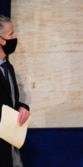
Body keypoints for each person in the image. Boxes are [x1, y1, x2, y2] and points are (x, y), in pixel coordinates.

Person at [0, 14, 30, 167]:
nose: (15, 37)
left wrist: (22, 107)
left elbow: (11, 102)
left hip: (12, 146)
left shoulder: (8, 67)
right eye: (11, 34)